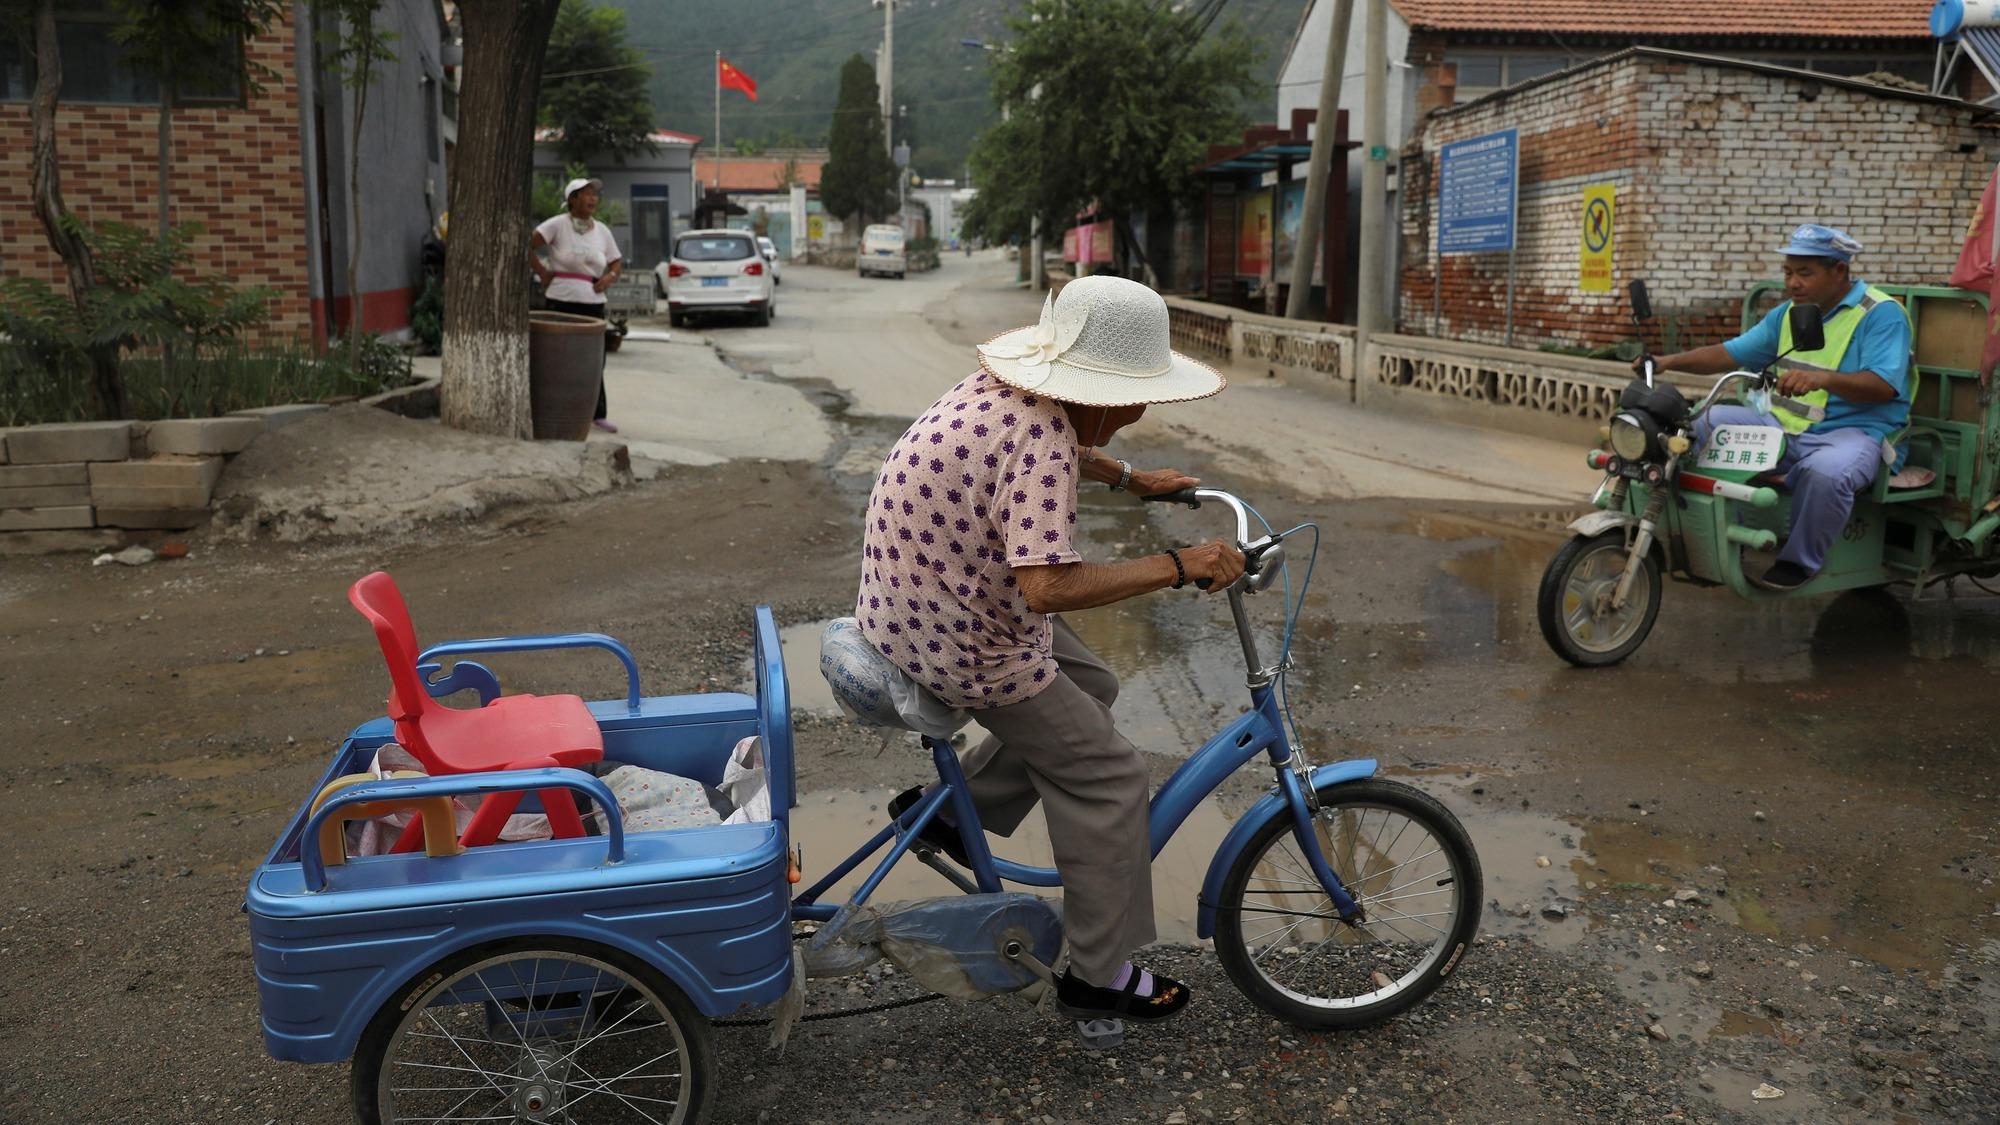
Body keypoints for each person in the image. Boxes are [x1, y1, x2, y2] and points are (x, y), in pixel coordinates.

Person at [855, 275, 1244, 1024]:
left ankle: (946, 816)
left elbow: (1068, 447)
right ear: (1103, 391)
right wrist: (1177, 565)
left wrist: (1133, 479)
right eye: (1141, 395)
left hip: (913, 601)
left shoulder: (1011, 394)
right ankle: (1101, 974)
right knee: (1112, 776)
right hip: (963, 635)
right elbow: (1047, 587)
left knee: (1092, 682)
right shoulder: (1042, 446)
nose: (1140, 410)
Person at [1645, 223, 1912, 590]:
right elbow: (1729, 353)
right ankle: (1720, 535)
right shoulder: (1788, 313)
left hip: (1853, 434)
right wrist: (1666, 361)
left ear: (1839, 271)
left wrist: (1824, 380)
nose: (1793, 283)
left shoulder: (1881, 314)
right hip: (1781, 426)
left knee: (1828, 473)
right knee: (1701, 423)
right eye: (1788, 272)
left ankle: (1799, 563)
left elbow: (1882, 386)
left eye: (1805, 273)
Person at [532, 177, 623, 433]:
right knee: (556, 357)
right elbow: (529, 243)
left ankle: (597, 413)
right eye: (586, 194)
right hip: (560, 298)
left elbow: (616, 262)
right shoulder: (557, 225)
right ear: (572, 199)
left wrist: (608, 278)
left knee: (594, 359)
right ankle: (553, 406)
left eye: (595, 194)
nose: (593, 198)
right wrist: (541, 270)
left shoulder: (602, 231)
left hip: (592, 302)